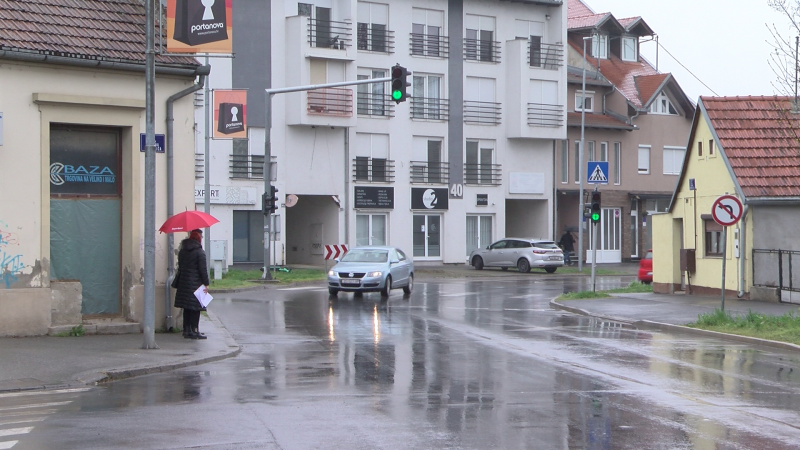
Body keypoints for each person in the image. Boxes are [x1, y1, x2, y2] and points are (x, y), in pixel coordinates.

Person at [174, 229, 210, 340]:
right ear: (199, 239)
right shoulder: (200, 252)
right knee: (195, 308)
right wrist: (206, 283)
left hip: (184, 283)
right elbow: (202, 270)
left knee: (187, 308)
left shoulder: (182, 251)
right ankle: (195, 330)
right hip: (195, 284)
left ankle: (186, 330)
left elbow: (180, 267)